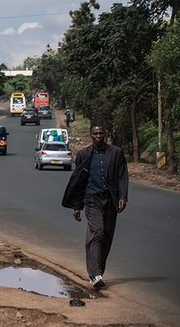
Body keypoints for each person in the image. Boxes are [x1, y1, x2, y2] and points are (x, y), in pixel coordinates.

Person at [62, 123, 129, 289]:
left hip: (110, 200)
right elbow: (79, 182)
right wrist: (77, 206)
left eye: (101, 133)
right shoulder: (84, 154)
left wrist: (122, 196)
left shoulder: (116, 153)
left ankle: (99, 271)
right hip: (92, 199)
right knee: (97, 232)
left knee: (106, 236)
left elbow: (122, 176)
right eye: (95, 134)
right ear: (91, 135)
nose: (98, 136)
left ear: (105, 134)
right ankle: (94, 275)